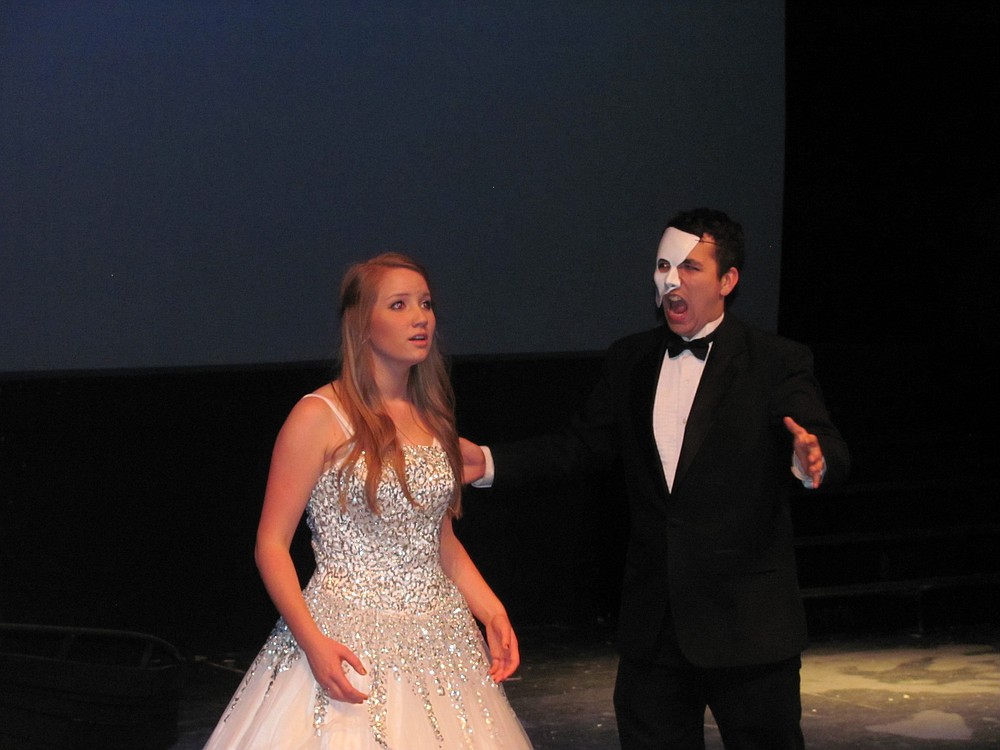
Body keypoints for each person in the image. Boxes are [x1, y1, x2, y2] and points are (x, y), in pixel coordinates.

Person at [463, 208, 849, 749]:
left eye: (690, 267)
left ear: (727, 281)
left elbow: (822, 440)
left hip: (748, 626)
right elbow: (582, 444)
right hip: (654, 625)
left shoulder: (775, 360)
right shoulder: (631, 360)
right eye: (664, 265)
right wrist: (488, 462)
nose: (672, 281)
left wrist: (813, 460)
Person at [204, 253, 533, 749]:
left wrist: (491, 610)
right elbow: (270, 545)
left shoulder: (432, 417)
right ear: (362, 324)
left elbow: (437, 540)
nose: (420, 317)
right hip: (346, 634)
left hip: (440, 640)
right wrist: (312, 643)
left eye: (424, 304)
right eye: (399, 305)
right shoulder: (319, 415)